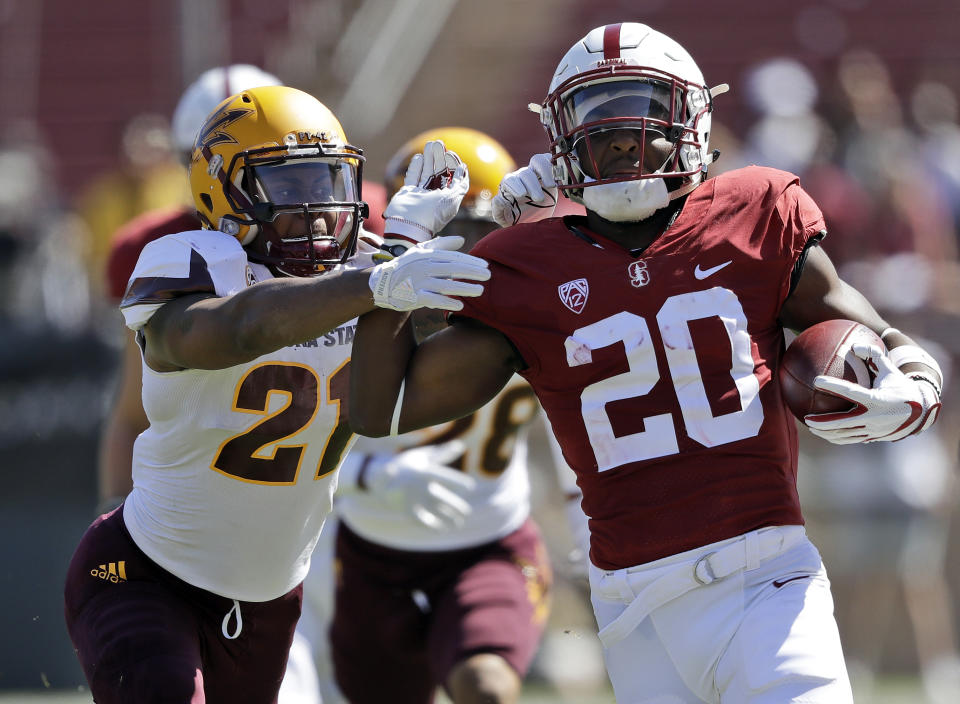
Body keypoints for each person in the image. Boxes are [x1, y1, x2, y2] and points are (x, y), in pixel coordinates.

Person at [347, 22, 945, 704]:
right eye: (596, 117)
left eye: (643, 112)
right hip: (634, 609)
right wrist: (396, 259)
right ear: (562, 135)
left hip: (766, 579)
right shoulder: (523, 268)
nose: (621, 135)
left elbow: (879, 332)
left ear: (691, 118)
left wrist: (920, 382)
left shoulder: (756, 212)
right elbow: (377, 409)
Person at [63, 85, 490, 704]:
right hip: (142, 573)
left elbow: (471, 323)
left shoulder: (373, 271)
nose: (317, 207)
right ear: (223, 192)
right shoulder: (193, 260)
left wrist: (514, 222)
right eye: (290, 186)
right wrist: (381, 280)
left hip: (268, 599)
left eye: (327, 181)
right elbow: (241, 328)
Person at [324, 127, 568, 704]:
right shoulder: (353, 293)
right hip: (369, 541)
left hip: (488, 537)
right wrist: (359, 476)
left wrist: (587, 518)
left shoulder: (533, 305)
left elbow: (572, 423)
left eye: (477, 230)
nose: (461, 248)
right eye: (444, 229)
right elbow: (310, 422)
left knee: (484, 686)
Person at [97, 64, 283, 516]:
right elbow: (134, 411)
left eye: (257, 166)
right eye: (215, 168)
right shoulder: (149, 249)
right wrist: (114, 510)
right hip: (198, 493)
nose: (233, 189)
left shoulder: (351, 228)